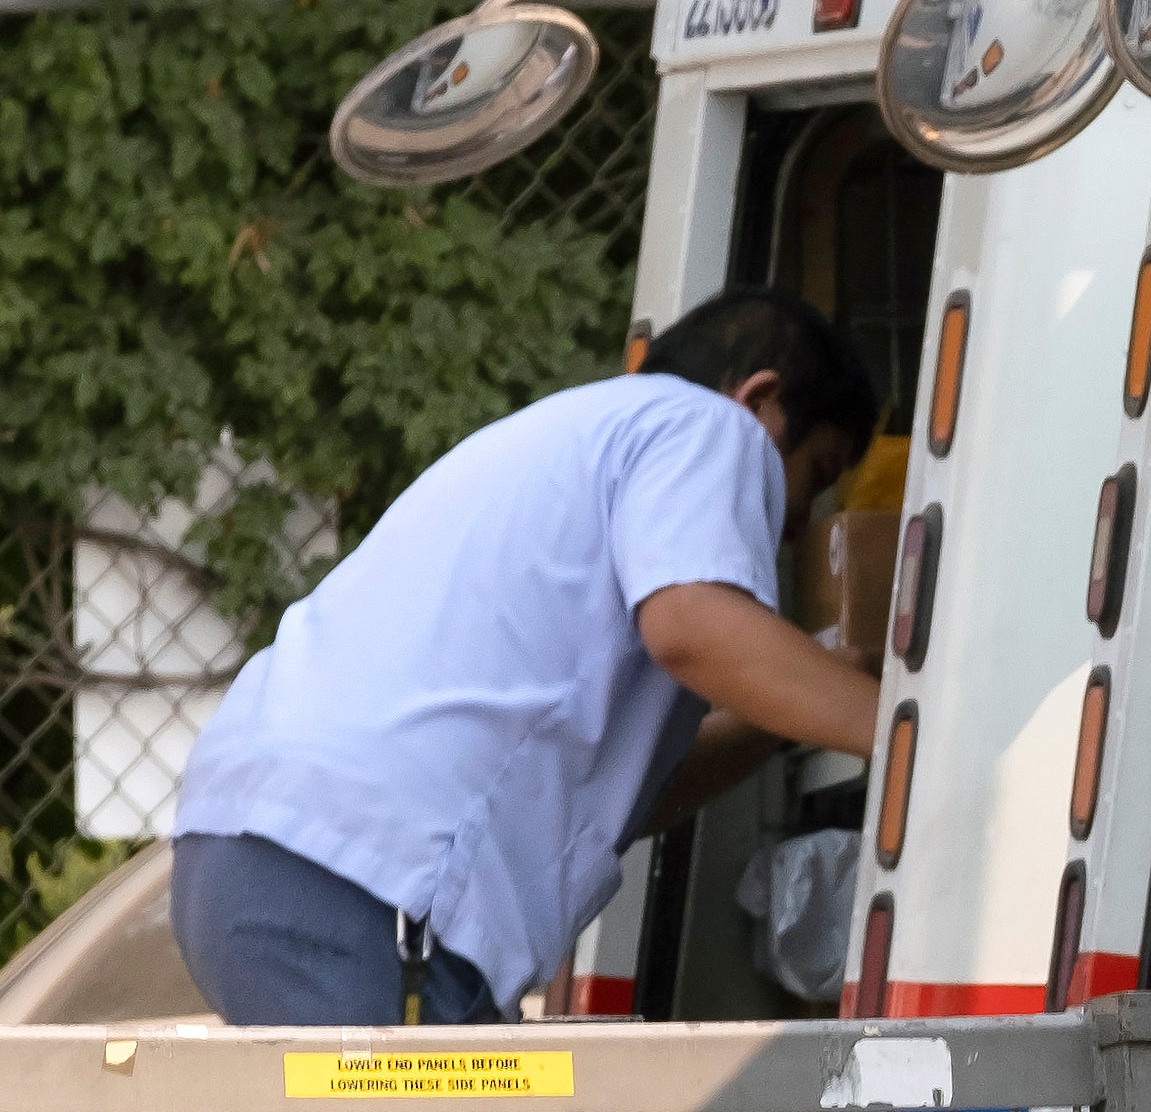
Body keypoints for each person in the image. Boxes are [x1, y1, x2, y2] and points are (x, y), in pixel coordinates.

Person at [167, 285, 892, 1027]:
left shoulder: (564, 439)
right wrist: (910, 736)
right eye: (816, 475)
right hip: (372, 889)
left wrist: (801, 709)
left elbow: (631, 797)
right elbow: (691, 626)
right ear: (762, 401)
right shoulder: (708, 427)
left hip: (257, 860)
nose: (799, 524)